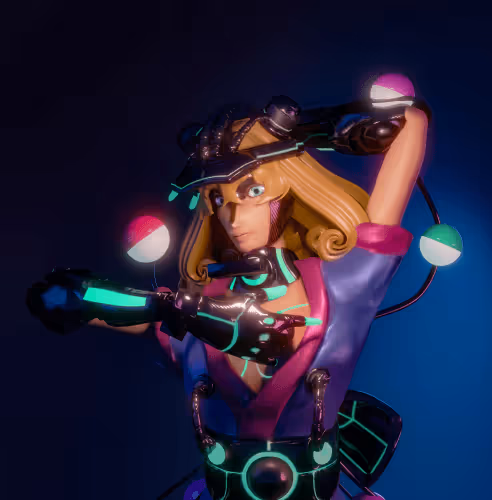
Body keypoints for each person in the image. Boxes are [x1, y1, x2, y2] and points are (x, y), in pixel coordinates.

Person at [27, 78, 429, 499]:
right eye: (219, 200)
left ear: (289, 187)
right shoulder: (195, 302)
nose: (234, 218)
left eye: (252, 191)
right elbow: (132, 314)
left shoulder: (344, 284)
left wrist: (307, 130)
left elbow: (411, 119)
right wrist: (79, 298)